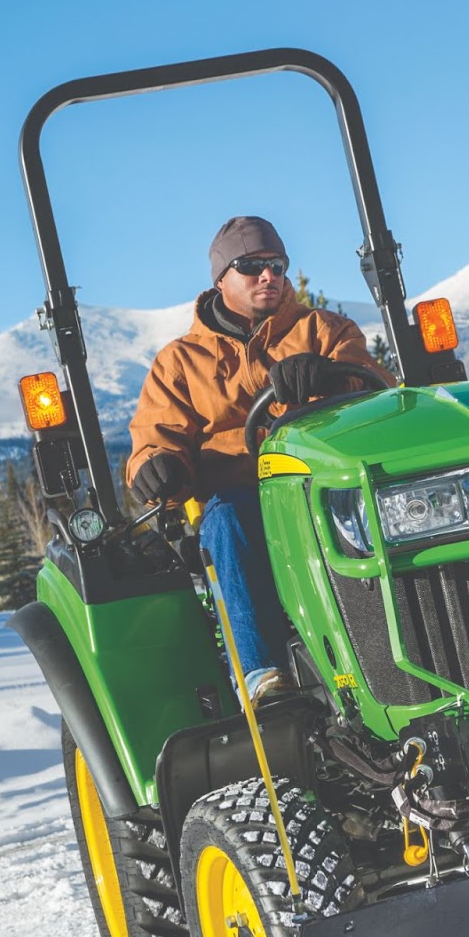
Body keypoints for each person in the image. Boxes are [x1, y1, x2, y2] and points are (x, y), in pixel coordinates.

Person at [126, 215, 392, 701]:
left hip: (323, 487)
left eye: (277, 265)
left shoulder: (323, 331)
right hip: (242, 499)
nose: (269, 275)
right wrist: (156, 466)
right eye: (252, 266)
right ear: (221, 279)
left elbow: (373, 386)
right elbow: (156, 436)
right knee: (226, 519)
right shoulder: (180, 362)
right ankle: (262, 674)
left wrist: (331, 376)